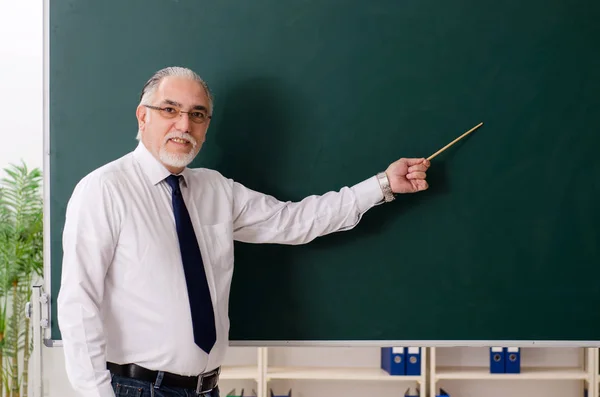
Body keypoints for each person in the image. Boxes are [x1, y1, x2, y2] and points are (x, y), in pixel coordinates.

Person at [57, 66, 430, 397]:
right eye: (169, 110)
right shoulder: (105, 189)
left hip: (207, 388)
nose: (184, 125)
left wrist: (382, 185)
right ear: (143, 116)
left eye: (197, 115)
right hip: (135, 388)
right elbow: (78, 301)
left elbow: (295, 221)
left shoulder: (215, 189)